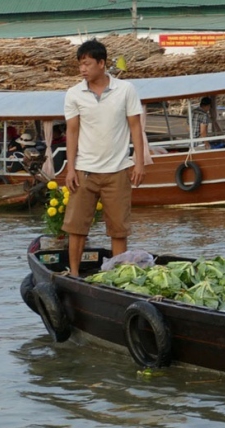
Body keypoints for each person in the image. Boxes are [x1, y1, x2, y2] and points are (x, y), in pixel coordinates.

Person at [62, 39, 144, 277]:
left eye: (87, 64)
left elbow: (135, 128)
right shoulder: (74, 94)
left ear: (102, 63)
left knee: (119, 229)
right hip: (84, 171)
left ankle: (117, 276)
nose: (82, 69)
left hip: (118, 170)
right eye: (80, 65)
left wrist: (139, 162)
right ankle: (75, 274)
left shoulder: (125, 90)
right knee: (76, 227)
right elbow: (72, 132)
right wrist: (70, 168)